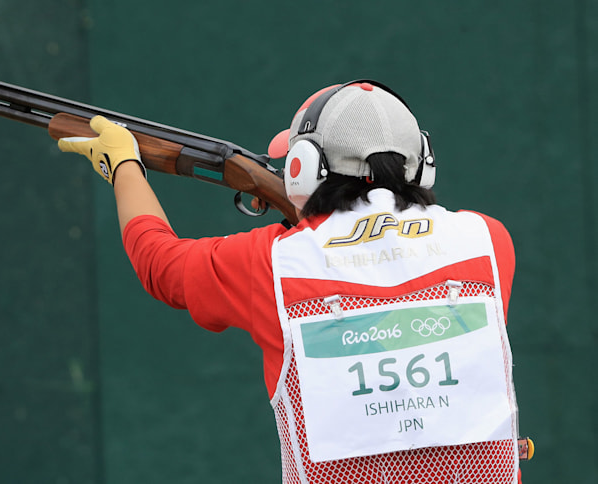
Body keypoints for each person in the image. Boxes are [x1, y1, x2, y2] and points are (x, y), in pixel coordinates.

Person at [58, 80, 523, 484]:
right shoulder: (488, 240)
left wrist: (124, 166)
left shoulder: (275, 263)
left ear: (303, 165)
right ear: (421, 161)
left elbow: (160, 264)